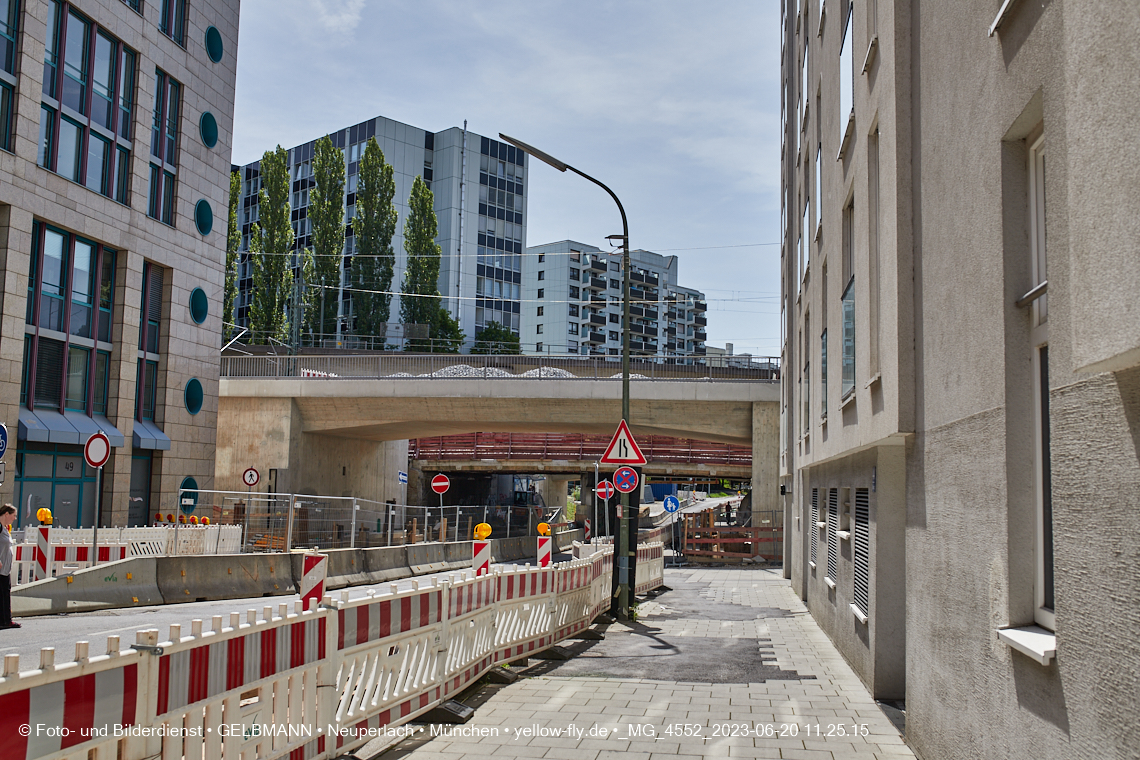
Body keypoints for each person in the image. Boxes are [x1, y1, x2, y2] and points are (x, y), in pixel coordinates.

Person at [0, 504, 18, 630]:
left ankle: (6, 620)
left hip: (5, 569)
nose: (15, 518)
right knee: (3, 594)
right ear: (6, 514)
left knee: (5, 594)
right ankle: (5, 620)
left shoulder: (5, 528)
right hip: (1, 569)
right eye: (13, 515)